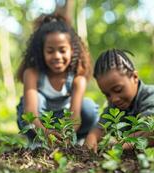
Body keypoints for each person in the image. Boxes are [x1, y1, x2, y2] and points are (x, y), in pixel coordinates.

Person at [16, 14, 99, 144]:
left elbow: (75, 116)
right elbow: (30, 113)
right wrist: (45, 133)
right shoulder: (32, 73)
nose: (57, 56)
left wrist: (67, 136)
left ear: (72, 51)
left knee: (88, 106)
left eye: (62, 50)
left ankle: (78, 140)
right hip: (38, 125)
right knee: (35, 101)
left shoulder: (77, 79)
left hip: (65, 124)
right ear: (41, 52)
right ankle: (37, 142)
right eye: (50, 51)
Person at [84, 49, 154, 153]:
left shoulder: (151, 94)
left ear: (135, 77)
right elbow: (100, 127)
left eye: (118, 90)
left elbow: (149, 130)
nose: (114, 99)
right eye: (107, 95)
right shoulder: (114, 106)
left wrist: (118, 144)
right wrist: (91, 139)